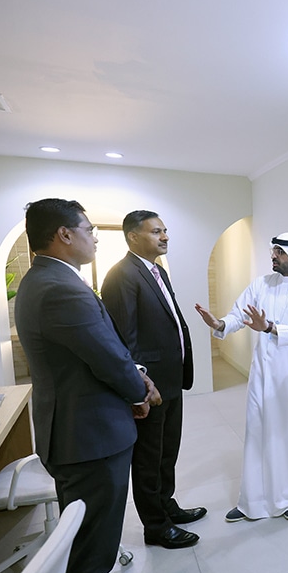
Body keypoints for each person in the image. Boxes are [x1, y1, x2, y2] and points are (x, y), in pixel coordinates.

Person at [15, 199, 167, 573]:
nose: (94, 236)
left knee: (86, 533)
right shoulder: (60, 288)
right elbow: (105, 355)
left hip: (81, 427)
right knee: (91, 542)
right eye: (87, 228)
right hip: (88, 435)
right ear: (64, 234)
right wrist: (141, 388)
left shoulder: (47, 279)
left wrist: (134, 377)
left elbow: (100, 348)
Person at [194, 232, 288, 522]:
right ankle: (252, 500)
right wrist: (221, 323)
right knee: (257, 433)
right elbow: (240, 314)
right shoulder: (262, 284)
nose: (273, 256)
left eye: (280, 252)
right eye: (274, 250)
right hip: (262, 374)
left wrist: (270, 328)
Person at [101, 210, 205, 551]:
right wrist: (140, 387)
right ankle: (156, 526)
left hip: (171, 380)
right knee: (147, 457)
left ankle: (167, 504)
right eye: (156, 231)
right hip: (151, 385)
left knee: (166, 451)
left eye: (165, 231)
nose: (165, 237)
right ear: (133, 236)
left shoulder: (157, 271)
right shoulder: (121, 276)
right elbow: (123, 340)